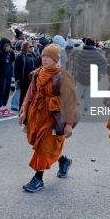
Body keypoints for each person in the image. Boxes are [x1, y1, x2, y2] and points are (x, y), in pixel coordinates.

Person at [18, 44, 78, 192]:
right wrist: (24, 111)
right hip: (37, 115)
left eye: (49, 57)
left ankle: (38, 179)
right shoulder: (38, 73)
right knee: (42, 144)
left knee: (44, 145)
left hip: (54, 117)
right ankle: (64, 161)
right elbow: (30, 94)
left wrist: (69, 124)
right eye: (43, 56)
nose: (45, 59)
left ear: (56, 59)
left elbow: (71, 102)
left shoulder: (64, 77)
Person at [68, 37, 107, 112]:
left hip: (80, 76)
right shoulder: (97, 53)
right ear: (94, 44)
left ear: (85, 43)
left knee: (77, 93)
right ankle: (86, 111)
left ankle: (71, 108)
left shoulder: (80, 52)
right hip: (92, 77)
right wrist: (99, 70)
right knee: (89, 95)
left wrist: (80, 68)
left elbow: (75, 61)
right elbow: (104, 61)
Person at [14, 41, 40, 108]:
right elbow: (16, 69)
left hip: (34, 80)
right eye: (30, 46)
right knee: (23, 97)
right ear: (25, 47)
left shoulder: (35, 56)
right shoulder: (20, 57)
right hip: (24, 81)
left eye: (32, 46)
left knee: (34, 97)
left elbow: (40, 66)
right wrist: (17, 80)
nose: (32, 48)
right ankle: (22, 112)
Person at [0, 37, 15, 116]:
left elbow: (13, 59)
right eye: (6, 45)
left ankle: (4, 107)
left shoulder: (9, 52)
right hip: (2, 75)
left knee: (6, 91)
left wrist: (11, 52)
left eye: (8, 45)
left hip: (8, 74)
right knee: (1, 91)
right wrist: (6, 52)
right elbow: (1, 60)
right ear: (2, 45)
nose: (7, 47)